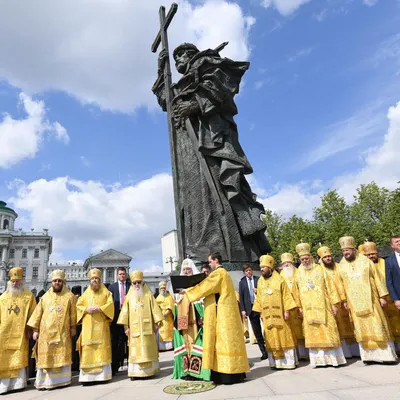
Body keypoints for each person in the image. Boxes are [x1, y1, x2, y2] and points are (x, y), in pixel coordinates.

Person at [153, 43, 271, 263]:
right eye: (175, 57)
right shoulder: (182, 84)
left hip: (209, 142)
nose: (178, 60)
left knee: (217, 188)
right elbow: (166, 101)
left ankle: (233, 250)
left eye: (181, 56)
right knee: (194, 196)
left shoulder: (206, 65)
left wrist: (195, 104)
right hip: (186, 148)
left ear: (191, 55)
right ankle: (205, 251)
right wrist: (161, 71)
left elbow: (221, 87)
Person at [181, 252, 249, 384]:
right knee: (228, 344)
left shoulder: (218, 274)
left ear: (216, 260)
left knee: (222, 344)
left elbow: (206, 287)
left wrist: (188, 291)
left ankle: (226, 375)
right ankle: (235, 372)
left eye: (210, 261)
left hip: (222, 316)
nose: (209, 264)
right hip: (227, 314)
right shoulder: (225, 274)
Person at [338, 236, 397, 363]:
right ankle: (369, 357)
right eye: (343, 251)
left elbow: (377, 278)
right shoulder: (342, 266)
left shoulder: (365, 261)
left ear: (354, 250)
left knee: (378, 324)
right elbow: (340, 284)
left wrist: (382, 296)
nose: (346, 253)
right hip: (354, 303)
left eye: (348, 250)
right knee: (361, 328)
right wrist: (344, 300)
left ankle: (386, 356)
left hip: (372, 300)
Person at [294, 242, 346, 368]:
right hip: (308, 310)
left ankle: (333, 360)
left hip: (324, 307)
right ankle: (319, 361)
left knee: (328, 330)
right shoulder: (298, 273)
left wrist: (334, 304)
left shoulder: (320, 270)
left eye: (307, 258)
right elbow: (295, 292)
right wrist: (299, 307)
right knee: (313, 334)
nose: (305, 261)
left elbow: (331, 287)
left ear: (311, 258)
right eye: (302, 259)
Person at [28, 270, 77, 390]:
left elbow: (73, 314)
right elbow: (37, 314)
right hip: (45, 335)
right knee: (46, 358)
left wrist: (73, 327)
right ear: (52, 282)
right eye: (55, 281)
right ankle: (45, 382)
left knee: (61, 356)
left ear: (63, 282)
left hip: (63, 333)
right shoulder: (45, 297)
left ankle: (62, 381)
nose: (57, 283)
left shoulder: (69, 296)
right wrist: (35, 330)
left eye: (59, 281)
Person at [253, 255, 297, 369]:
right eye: (261, 267)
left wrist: (287, 310)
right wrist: (261, 313)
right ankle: (275, 363)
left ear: (270, 268)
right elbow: (259, 298)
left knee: (284, 336)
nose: (261, 269)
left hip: (281, 315)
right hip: (267, 316)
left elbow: (287, 296)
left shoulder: (280, 279)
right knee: (271, 337)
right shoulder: (260, 282)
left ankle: (288, 362)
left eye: (264, 267)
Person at [117, 270, 163, 379]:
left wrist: (157, 323)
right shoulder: (129, 296)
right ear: (132, 283)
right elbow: (125, 312)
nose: (137, 285)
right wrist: (126, 327)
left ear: (142, 282)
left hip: (147, 327)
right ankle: (135, 373)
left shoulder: (148, 294)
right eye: (135, 283)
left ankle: (150, 371)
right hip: (134, 329)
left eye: (139, 282)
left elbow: (155, 309)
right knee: (135, 352)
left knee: (148, 349)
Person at [317, 246, 359, 358]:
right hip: (332, 302)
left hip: (346, 299)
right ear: (321, 259)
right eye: (325, 257)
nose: (328, 258)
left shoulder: (339, 266)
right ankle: (345, 352)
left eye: (329, 256)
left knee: (350, 324)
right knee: (338, 326)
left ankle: (355, 350)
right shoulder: (320, 270)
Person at [0, 267, 36, 394]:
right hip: (4, 334)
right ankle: (4, 385)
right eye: (13, 281)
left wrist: (31, 329)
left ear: (22, 281)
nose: (15, 283)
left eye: (18, 281)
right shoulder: (3, 297)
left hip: (21, 333)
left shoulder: (28, 296)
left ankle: (18, 384)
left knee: (19, 357)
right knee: (4, 359)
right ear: (10, 282)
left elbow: (34, 314)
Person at [173, 258, 210, 380]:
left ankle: (198, 372)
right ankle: (186, 371)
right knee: (186, 345)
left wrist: (201, 316)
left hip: (195, 321)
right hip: (184, 322)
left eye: (188, 269)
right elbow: (176, 306)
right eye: (184, 270)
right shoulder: (178, 290)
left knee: (197, 345)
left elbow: (201, 301)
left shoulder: (199, 286)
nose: (186, 271)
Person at [76, 268, 114, 383]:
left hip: (101, 326)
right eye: (93, 278)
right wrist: (86, 309)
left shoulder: (106, 292)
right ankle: (87, 378)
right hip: (88, 328)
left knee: (101, 349)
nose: (95, 281)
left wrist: (100, 308)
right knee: (88, 349)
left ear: (100, 279)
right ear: (89, 280)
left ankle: (102, 376)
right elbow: (78, 306)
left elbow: (110, 304)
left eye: (97, 278)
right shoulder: (85, 294)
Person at [363, 240, 400, 352]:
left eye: (373, 254)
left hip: (391, 298)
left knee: (396, 323)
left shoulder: (385, 262)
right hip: (376, 301)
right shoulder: (365, 266)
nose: (371, 256)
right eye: (368, 255)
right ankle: (391, 349)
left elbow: (390, 280)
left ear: (377, 253)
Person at [279, 252, 308, 360]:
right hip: (288, 308)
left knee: (301, 329)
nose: (287, 265)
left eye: (288, 263)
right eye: (285, 263)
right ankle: (296, 354)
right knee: (292, 331)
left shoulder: (299, 272)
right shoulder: (280, 276)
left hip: (299, 304)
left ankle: (305, 353)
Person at [239, 264, 267, 360]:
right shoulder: (242, 283)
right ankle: (263, 351)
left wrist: (258, 290)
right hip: (250, 308)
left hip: (261, 306)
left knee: (266, 327)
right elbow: (241, 297)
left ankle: (271, 348)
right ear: (244, 272)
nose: (249, 272)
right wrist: (243, 310)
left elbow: (265, 291)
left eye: (250, 270)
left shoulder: (258, 279)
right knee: (257, 330)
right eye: (246, 271)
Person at [108, 267, 131, 376]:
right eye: (120, 274)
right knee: (116, 342)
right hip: (116, 317)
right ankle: (115, 366)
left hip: (129, 317)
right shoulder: (112, 287)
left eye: (123, 274)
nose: (122, 276)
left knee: (129, 341)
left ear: (126, 275)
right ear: (117, 275)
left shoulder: (130, 286)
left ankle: (131, 364)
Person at [155, 281, 174, 351]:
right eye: (162, 288)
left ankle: (170, 346)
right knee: (161, 331)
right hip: (161, 317)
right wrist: (160, 313)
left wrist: (168, 312)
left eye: (164, 288)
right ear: (160, 289)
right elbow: (156, 308)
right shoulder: (158, 298)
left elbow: (172, 306)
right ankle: (162, 347)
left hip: (168, 317)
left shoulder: (169, 297)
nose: (163, 289)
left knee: (169, 330)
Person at [386, 235, 400, 313]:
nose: (399, 243)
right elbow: (389, 282)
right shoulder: (388, 261)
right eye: (397, 241)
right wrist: (396, 299)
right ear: (392, 246)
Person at [71, 286, 82, 372]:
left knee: (79, 345)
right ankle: (74, 363)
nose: (77, 296)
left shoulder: (81, 301)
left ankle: (78, 363)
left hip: (80, 327)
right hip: (72, 326)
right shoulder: (71, 301)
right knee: (73, 346)